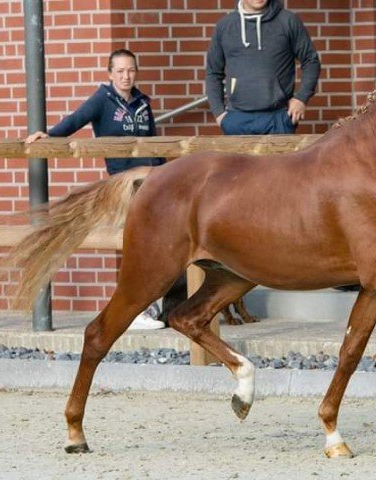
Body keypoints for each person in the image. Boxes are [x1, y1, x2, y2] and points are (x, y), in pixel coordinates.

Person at [25, 48, 186, 330]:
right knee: (138, 246)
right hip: (123, 185)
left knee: (161, 244)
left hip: (150, 182)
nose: (126, 76)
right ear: (110, 73)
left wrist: (164, 175)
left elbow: (152, 142)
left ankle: (161, 308)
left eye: (131, 70)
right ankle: (135, 310)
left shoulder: (142, 103)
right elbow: (74, 121)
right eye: (120, 71)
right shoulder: (102, 100)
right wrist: (48, 136)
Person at [205, 0, 321, 135]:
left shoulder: (288, 20)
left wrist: (301, 98)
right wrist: (219, 113)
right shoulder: (225, 26)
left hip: (278, 118)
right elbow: (213, 72)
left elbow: (310, 60)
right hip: (236, 119)